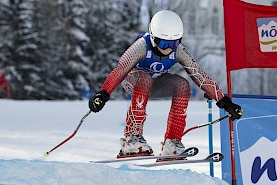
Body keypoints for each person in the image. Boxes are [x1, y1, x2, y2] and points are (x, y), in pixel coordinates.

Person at [89, 10, 242, 159]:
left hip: (155, 84)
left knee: (182, 85)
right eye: (163, 43)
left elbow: (199, 75)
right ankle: (132, 137)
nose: (168, 48)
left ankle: (172, 142)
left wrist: (225, 101)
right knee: (144, 79)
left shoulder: (178, 51)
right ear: (154, 37)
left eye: (174, 43)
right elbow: (120, 69)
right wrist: (103, 94)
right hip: (134, 82)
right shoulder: (141, 46)